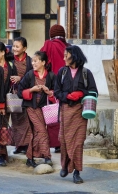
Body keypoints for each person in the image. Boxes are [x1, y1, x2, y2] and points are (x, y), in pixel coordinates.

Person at [54, 45, 98, 184]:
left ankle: (77, 172)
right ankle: (65, 166)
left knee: (78, 143)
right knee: (64, 140)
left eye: (66, 55)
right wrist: (67, 96)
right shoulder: (62, 72)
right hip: (66, 111)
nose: (64, 58)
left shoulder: (86, 73)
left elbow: (93, 92)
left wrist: (81, 93)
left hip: (80, 112)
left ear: (74, 56)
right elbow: (56, 91)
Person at [18, 51, 55, 167]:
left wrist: (49, 92)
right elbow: (20, 91)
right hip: (31, 107)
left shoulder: (51, 76)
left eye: (35, 61)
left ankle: (30, 158)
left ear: (43, 62)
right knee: (42, 131)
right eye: (32, 61)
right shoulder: (29, 75)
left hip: (44, 109)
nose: (33, 63)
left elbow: (56, 92)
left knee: (35, 132)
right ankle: (47, 156)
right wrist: (31, 90)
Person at [40, 24, 71, 153]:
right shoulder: (69, 47)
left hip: (53, 84)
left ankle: (57, 143)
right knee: (66, 114)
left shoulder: (49, 44)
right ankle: (66, 142)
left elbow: (41, 59)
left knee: (54, 114)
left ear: (51, 34)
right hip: (69, 85)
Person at [0, 41, 16, 166]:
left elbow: (15, 82)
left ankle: (1, 153)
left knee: (3, 128)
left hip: (7, 102)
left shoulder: (11, 66)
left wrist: (18, 79)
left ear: (2, 53)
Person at [10, 37, 33, 155]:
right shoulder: (10, 60)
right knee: (15, 119)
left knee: (26, 119)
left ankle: (27, 144)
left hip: (26, 94)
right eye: (13, 46)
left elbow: (32, 77)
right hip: (14, 95)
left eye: (17, 46)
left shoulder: (30, 61)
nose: (14, 48)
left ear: (24, 48)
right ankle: (18, 145)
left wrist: (21, 79)